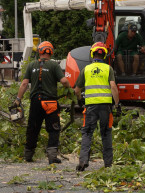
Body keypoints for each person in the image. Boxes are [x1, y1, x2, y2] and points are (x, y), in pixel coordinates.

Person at [13, 41, 75, 164]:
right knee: (53, 129)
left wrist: (18, 100)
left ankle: (28, 155)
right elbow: (63, 81)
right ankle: (52, 156)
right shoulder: (54, 66)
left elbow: (24, 84)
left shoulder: (31, 65)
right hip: (50, 102)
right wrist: (69, 89)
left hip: (36, 102)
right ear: (51, 52)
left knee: (33, 128)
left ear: (39, 51)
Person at [75, 42, 119, 172]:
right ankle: (108, 164)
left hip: (90, 107)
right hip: (106, 106)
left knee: (87, 133)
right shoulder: (108, 69)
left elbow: (77, 90)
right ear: (104, 55)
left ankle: (83, 161)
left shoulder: (86, 69)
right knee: (106, 133)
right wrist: (117, 104)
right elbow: (113, 87)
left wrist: (80, 100)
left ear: (92, 54)